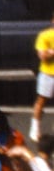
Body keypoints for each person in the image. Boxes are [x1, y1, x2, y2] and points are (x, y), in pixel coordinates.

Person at [33, 10, 54, 141]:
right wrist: (49, 53)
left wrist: (50, 52)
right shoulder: (44, 35)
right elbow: (42, 56)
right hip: (47, 74)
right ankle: (35, 129)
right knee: (41, 101)